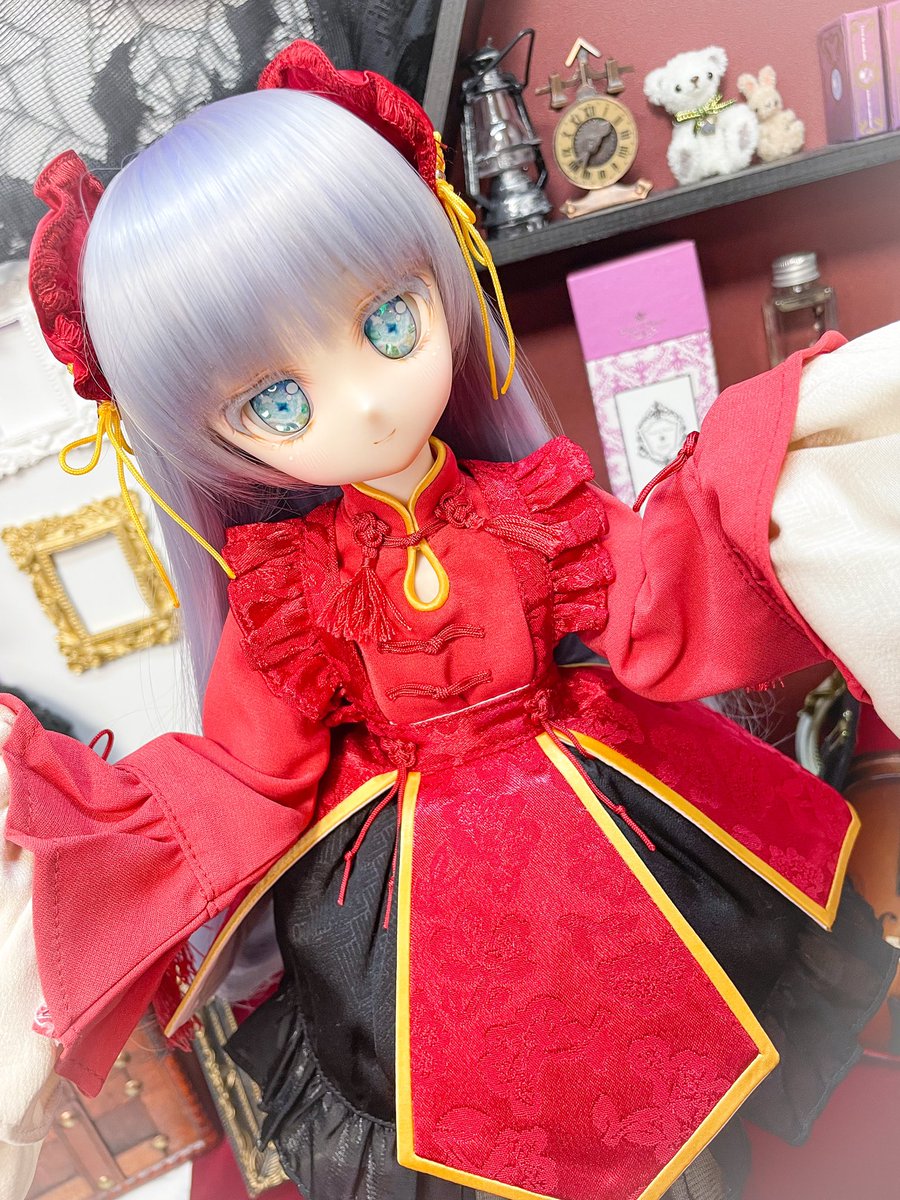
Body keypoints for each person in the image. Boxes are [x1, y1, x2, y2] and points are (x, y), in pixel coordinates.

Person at [1, 39, 898, 1200]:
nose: (369, 401)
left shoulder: (532, 509)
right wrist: (79, 822)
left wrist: (777, 472)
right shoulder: (290, 589)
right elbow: (247, 774)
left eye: (389, 322)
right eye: (276, 401)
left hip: (606, 810)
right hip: (425, 899)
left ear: (445, 268)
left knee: (672, 1033)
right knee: (492, 1096)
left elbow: (658, 597)